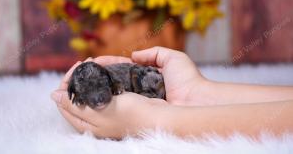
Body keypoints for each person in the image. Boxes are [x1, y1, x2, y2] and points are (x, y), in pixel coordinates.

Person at [51, 46, 293, 139]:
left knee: (149, 79)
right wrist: (197, 93)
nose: (98, 98)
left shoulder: (117, 77)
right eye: (87, 93)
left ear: (108, 79)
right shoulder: (90, 80)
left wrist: (158, 120)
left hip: (145, 81)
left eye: (102, 87)